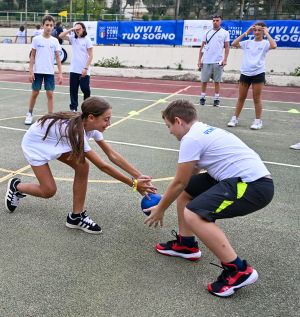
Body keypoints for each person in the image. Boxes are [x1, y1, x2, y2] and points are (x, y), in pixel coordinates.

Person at [143, 99, 274, 297]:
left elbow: (178, 181)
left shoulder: (191, 138)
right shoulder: (203, 131)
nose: (170, 131)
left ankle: (238, 270)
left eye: (169, 126)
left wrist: (160, 208)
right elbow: (187, 180)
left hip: (252, 186)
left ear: (178, 121)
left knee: (194, 214)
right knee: (188, 193)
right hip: (241, 180)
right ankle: (186, 245)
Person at [5, 96, 156, 234]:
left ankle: (76, 217)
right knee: (48, 191)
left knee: (82, 166)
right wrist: (134, 184)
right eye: (106, 119)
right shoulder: (78, 132)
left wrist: (137, 175)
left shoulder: (90, 126)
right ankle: (16, 187)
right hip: (36, 144)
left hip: (57, 141)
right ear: (91, 117)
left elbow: (112, 155)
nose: (108, 124)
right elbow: (102, 166)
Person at [227, 22, 277, 130]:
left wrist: (267, 33)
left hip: (258, 74)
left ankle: (258, 121)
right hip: (245, 73)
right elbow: (234, 43)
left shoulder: (265, 43)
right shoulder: (247, 43)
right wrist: (247, 32)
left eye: (260, 30)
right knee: (241, 97)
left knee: (256, 98)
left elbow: (274, 45)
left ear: (263, 31)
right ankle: (234, 118)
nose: (257, 32)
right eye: (255, 30)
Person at [25, 15, 63, 125]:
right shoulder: (36, 39)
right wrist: (31, 71)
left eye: (51, 25)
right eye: (47, 25)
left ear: (53, 26)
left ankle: (51, 117)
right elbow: (32, 56)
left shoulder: (55, 41)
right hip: (37, 71)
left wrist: (60, 73)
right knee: (35, 93)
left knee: (50, 94)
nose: (49, 27)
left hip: (49, 72)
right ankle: (29, 113)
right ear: (43, 26)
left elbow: (57, 58)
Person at [59, 23, 93, 112]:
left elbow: (91, 56)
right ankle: (73, 108)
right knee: (73, 90)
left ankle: (87, 106)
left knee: (85, 88)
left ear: (83, 29)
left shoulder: (87, 40)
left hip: (84, 69)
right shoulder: (73, 38)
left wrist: (86, 68)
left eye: (79, 28)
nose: (77, 30)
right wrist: (71, 29)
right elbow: (61, 36)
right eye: (76, 29)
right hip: (74, 69)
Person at [197, 15, 230, 107]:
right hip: (206, 61)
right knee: (204, 81)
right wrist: (199, 60)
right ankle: (202, 97)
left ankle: (216, 99)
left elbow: (227, 47)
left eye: (217, 20)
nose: (215, 22)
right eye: (214, 20)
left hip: (218, 61)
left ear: (220, 21)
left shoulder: (225, 33)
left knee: (217, 81)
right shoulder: (207, 32)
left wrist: (225, 59)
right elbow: (202, 47)